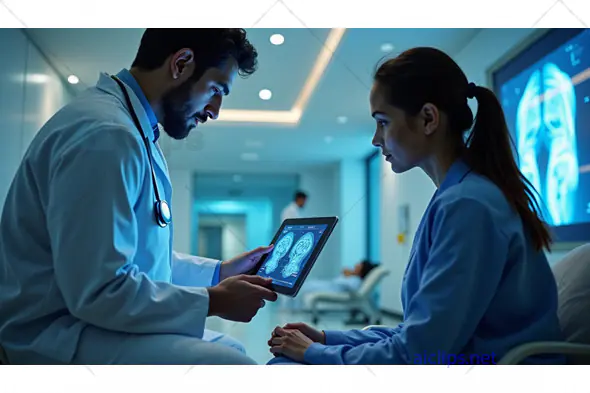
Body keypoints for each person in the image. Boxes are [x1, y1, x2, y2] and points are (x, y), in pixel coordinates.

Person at [266, 47, 563, 365]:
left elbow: (419, 352)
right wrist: (326, 339)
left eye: (382, 122)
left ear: (428, 119)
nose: (376, 140)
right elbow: (416, 333)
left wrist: (315, 353)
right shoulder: (459, 196)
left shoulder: (468, 205)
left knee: (285, 366)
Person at [0, 29, 279, 365]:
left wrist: (219, 273)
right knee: (233, 367)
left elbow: (138, 257)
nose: (215, 110)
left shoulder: (132, 131)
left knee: (232, 351)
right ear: (181, 63)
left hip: (82, 320)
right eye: (216, 89)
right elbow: (100, 291)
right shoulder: (106, 136)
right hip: (53, 336)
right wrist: (213, 302)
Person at [283, 260, 378, 311]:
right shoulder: (351, 277)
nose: (355, 266)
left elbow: (350, 288)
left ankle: (289, 308)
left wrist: (348, 276)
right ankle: (289, 306)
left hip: (332, 289)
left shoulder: (355, 280)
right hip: (329, 286)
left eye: (358, 266)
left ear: (361, 270)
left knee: (302, 287)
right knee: (305, 285)